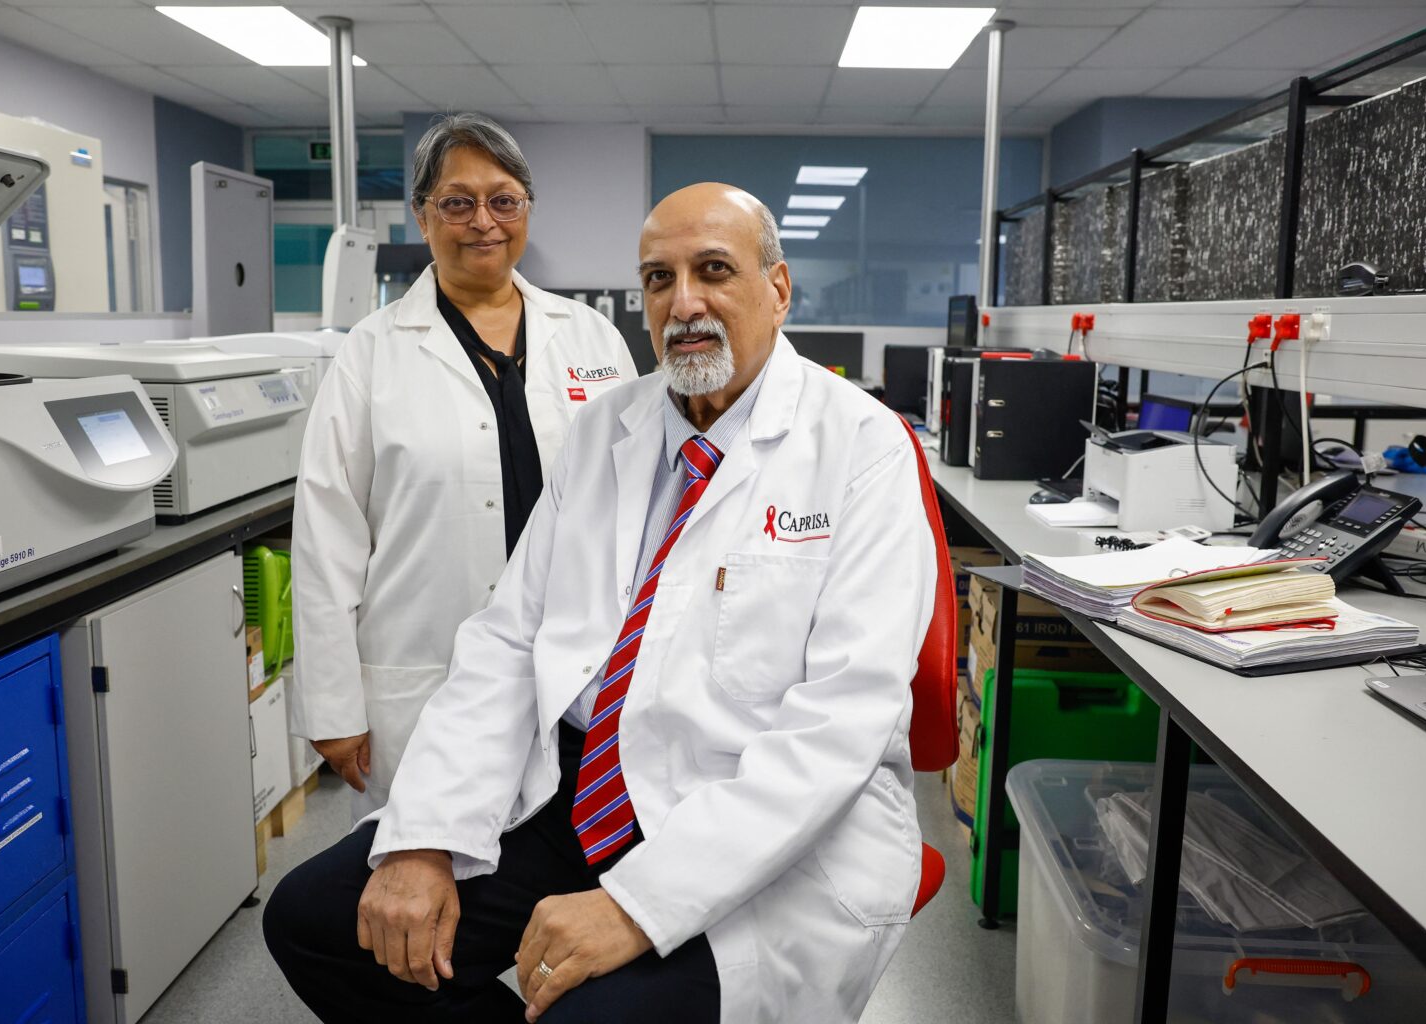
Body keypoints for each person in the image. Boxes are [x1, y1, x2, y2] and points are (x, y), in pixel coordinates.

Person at [266, 182, 938, 1024]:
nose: (683, 303)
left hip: (756, 815)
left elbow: (841, 722)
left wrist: (637, 904)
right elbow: (509, 643)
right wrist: (425, 836)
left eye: (714, 271)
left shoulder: (860, 444)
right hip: (578, 788)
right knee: (316, 922)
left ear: (778, 288)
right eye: (659, 279)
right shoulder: (606, 429)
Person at [290, 113, 637, 819]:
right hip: (429, 672)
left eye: (503, 200)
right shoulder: (371, 352)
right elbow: (326, 536)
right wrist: (332, 703)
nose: (484, 220)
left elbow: (638, 503)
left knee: (562, 879)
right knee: (429, 876)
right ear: (422, 217)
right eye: (457, 202)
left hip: (578, 670)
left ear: (527, 211)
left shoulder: (592, 338)